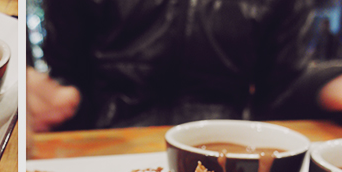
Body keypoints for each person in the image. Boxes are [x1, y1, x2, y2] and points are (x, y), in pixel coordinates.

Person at [28, 0, 342, 132]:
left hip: (222, 149)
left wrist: (324, 86)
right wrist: (32, 90)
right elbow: (65, 77)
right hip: (104, 144)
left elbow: (280, 87)